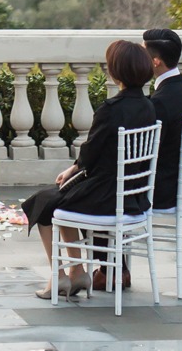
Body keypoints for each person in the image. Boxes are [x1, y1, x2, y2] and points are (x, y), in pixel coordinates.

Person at [21, 38, 155, 300]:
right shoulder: (149, 107)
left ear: (115, 71)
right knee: (54, 199)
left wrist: (74, 169)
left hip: (106, 194)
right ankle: (77, 272)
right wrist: (76, 168)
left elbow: (90, 155)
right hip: (134, 195)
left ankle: (60, 276)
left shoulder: (110, 110)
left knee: (41, 202)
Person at [143, 27, 182, 213]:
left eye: (141, 53)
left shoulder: (161, 101)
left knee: (98, 193)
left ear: (156, 62)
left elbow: (148, 154)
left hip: (162, 193)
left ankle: (114, 240)